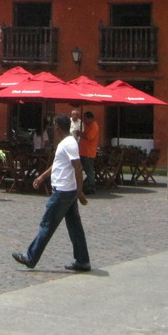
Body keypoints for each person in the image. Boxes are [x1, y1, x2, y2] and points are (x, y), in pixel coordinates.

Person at [12, 113, 91, 272]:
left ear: (57, 127)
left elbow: (78, 167)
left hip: (63, 192)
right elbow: (58, 164)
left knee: (47, 224)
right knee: (75, 227)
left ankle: (31, 257)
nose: (54, 128)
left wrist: (80, 191)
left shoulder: (69, 143)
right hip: (67, 191)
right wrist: (42, 177)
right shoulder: (67, 143)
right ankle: (83, 261)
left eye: (55, 125)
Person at [79, 111, 100, 194]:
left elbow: (89, 137)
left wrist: (80, 134)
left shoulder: (94, 126)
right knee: (83, 169)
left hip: (88, 153)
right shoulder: (89, 126)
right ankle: (85, 185)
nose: (84, 120)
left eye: (85, 118)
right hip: (83, 152)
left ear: (90, 118)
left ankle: (91, 187)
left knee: (89, 170)